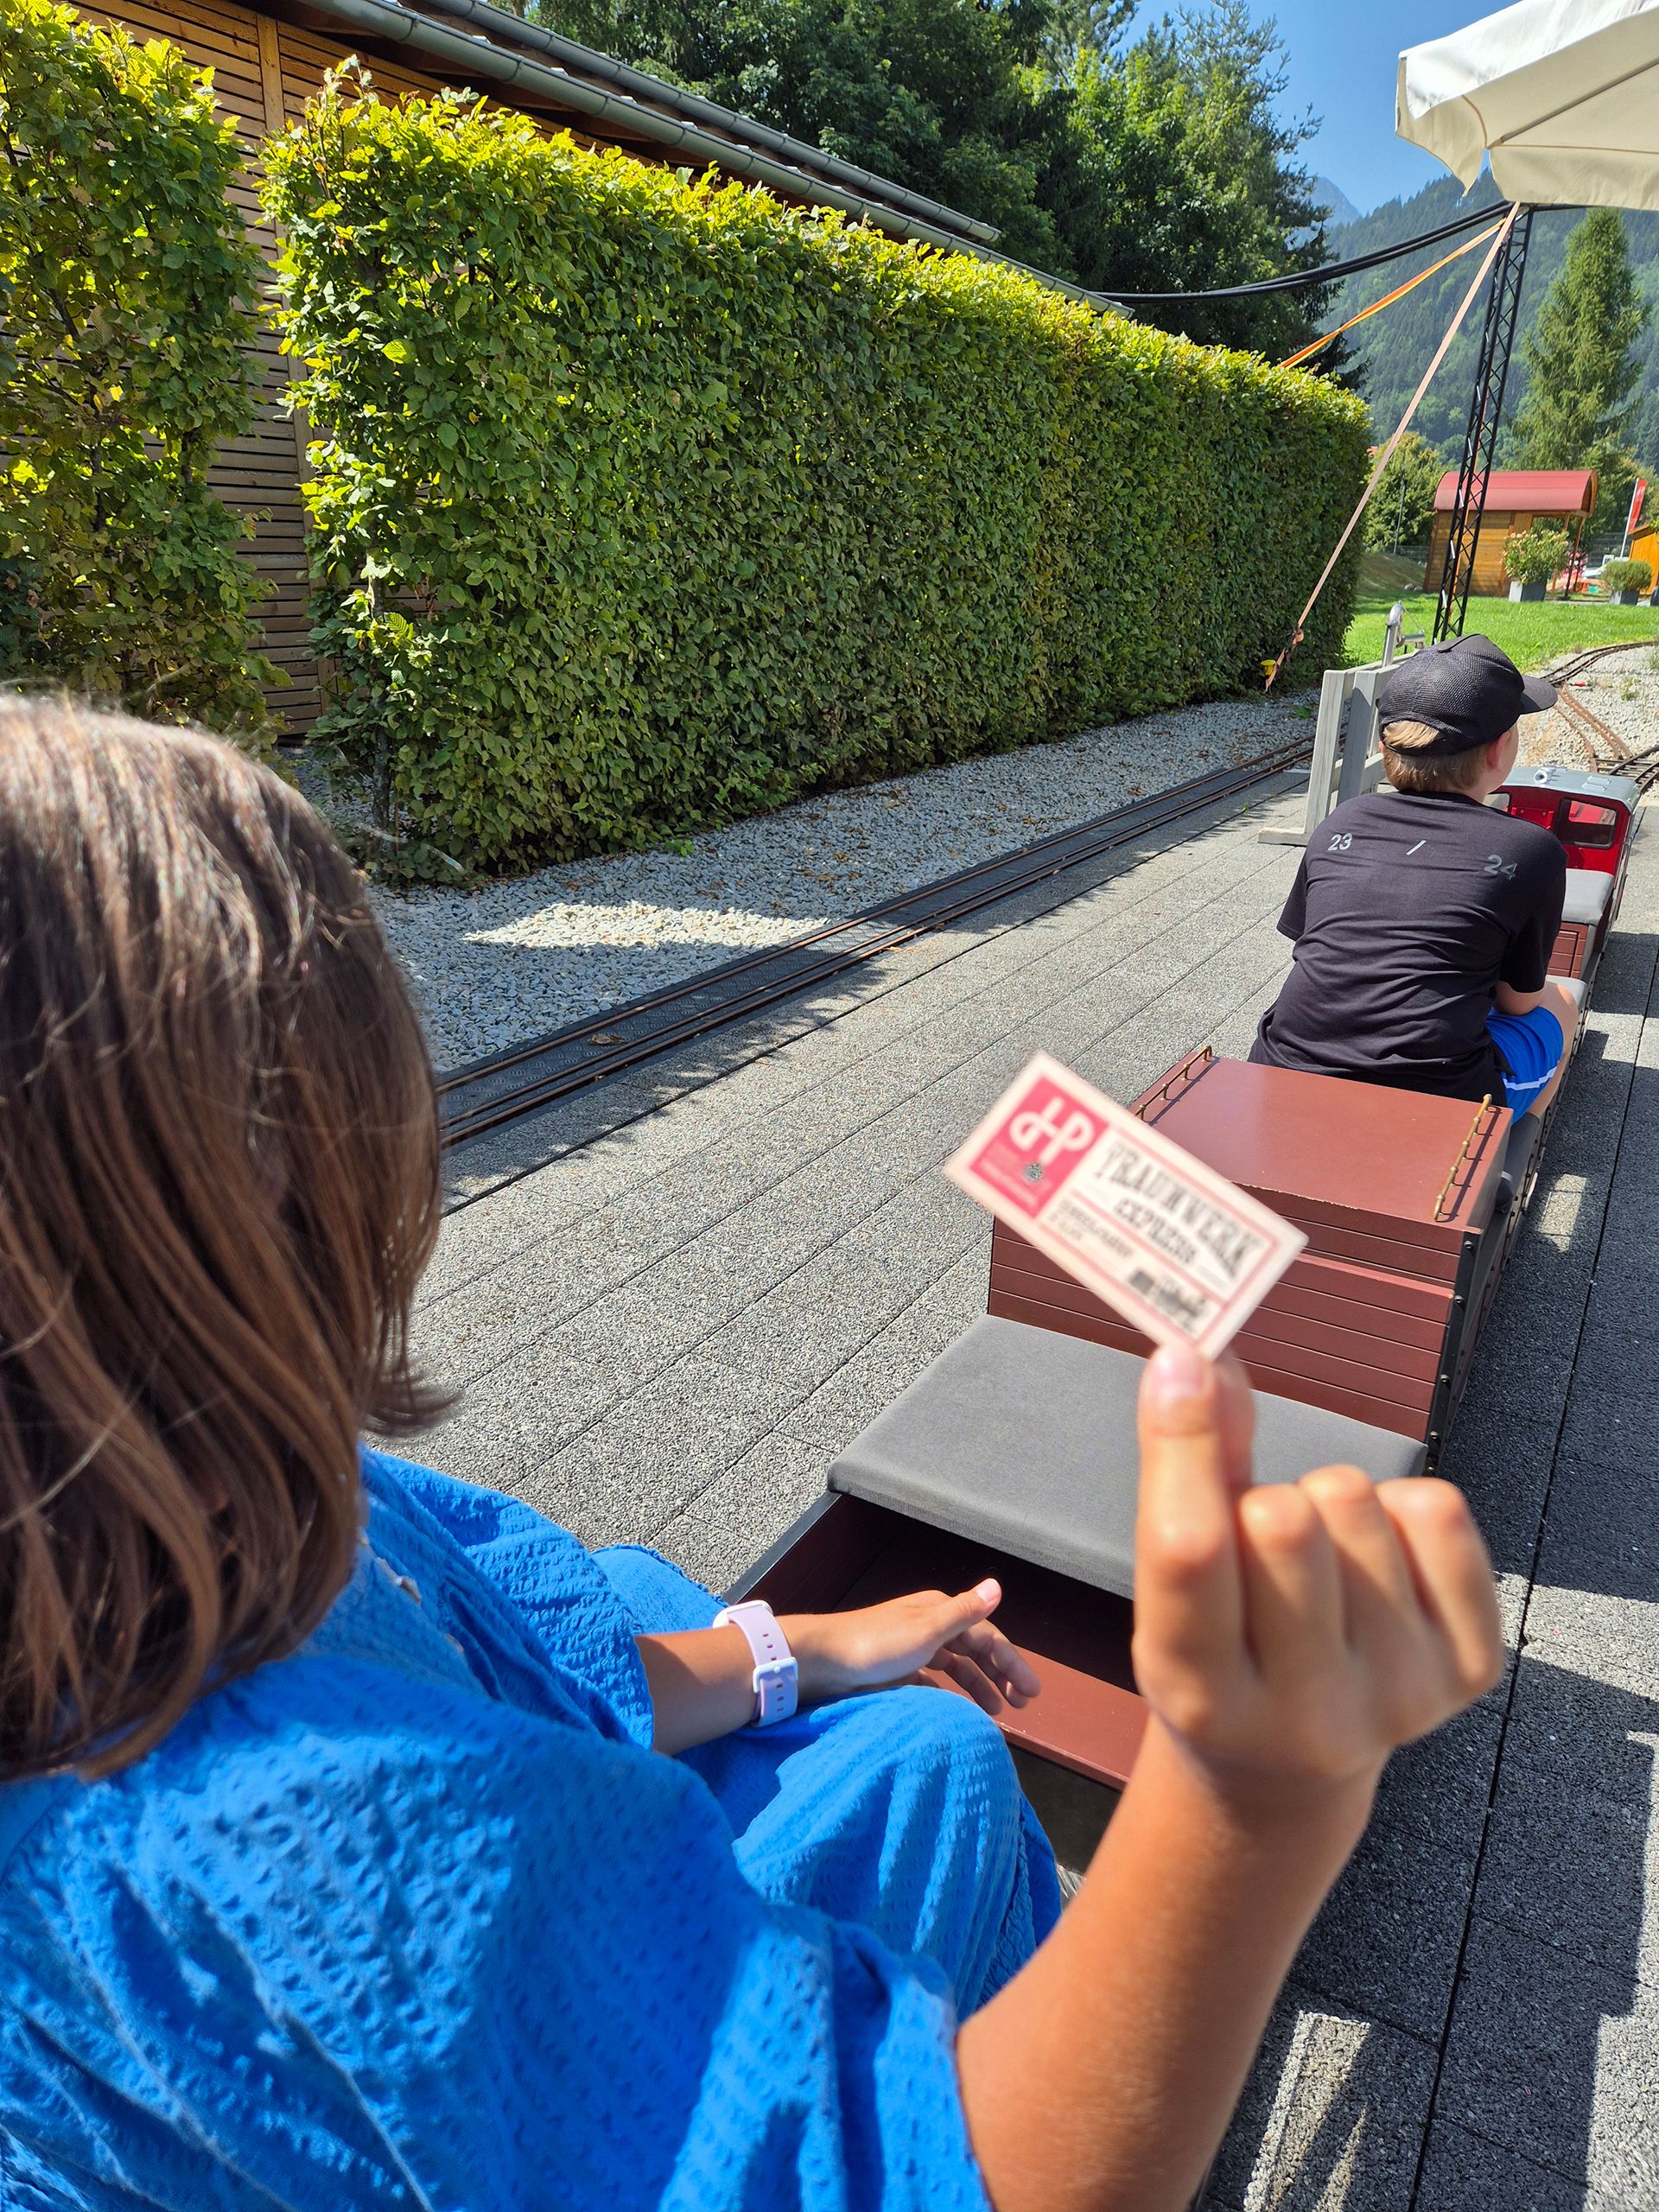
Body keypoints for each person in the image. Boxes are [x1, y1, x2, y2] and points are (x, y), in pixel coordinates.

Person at [0, 698, 1503, 2212]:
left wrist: (815, 1642)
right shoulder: (306, 1839)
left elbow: (564, 1674)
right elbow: (922, 2185)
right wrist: (1251, 1801)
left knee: (930, 1753)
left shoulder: (180, 1509)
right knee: (945, 1788)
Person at [1252, 632, 1578, 1119]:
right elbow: (1518, 1003)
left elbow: (1322, 946)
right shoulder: (1532, 850)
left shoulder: (1342, 822)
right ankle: (1506, 1152)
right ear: (1499, 751)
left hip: (1283, 1065)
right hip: (1440, 1095)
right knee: (1563, 1003)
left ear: (1387, 747)